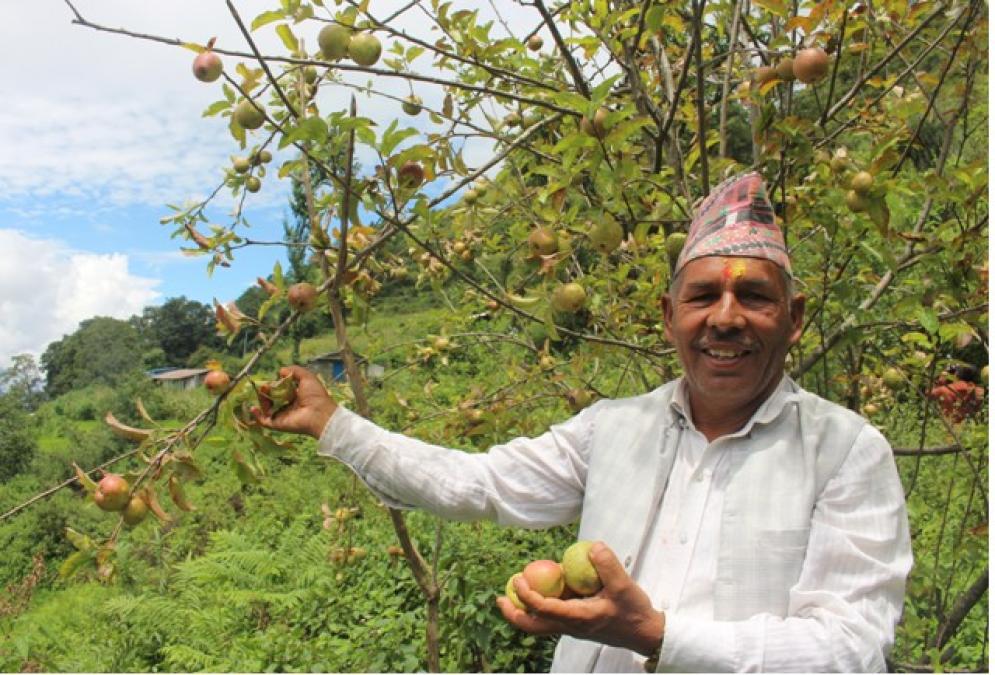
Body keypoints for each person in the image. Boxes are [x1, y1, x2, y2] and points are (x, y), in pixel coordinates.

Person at [253, 172, 912, 672]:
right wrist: (332, 422)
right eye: (703, 295)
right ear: (666, 315)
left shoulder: (845, 451)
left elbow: (848, 647)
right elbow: (476, 483)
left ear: (794, 320)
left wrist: (655, 633)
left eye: (756, 296)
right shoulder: (612, 429)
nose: (725, 317)